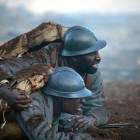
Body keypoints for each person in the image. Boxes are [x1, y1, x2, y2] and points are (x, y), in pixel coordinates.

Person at [0, 26, 110, 131]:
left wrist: (91, 118)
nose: (98, 58)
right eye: (91, 53)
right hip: (31, 113)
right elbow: (3, 67)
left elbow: (99, 106)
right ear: (75, 56)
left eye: (97, 52)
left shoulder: (91, 71)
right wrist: (5, 91)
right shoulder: (43, 58)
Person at [15, 67, 94, 140]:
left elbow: (69, 124)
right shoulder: (33, 104)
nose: (83, 101)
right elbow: (45, 136)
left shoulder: (57, 109)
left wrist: (94, 131)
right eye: (78, 96)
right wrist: (87, 138)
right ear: (60, 96)